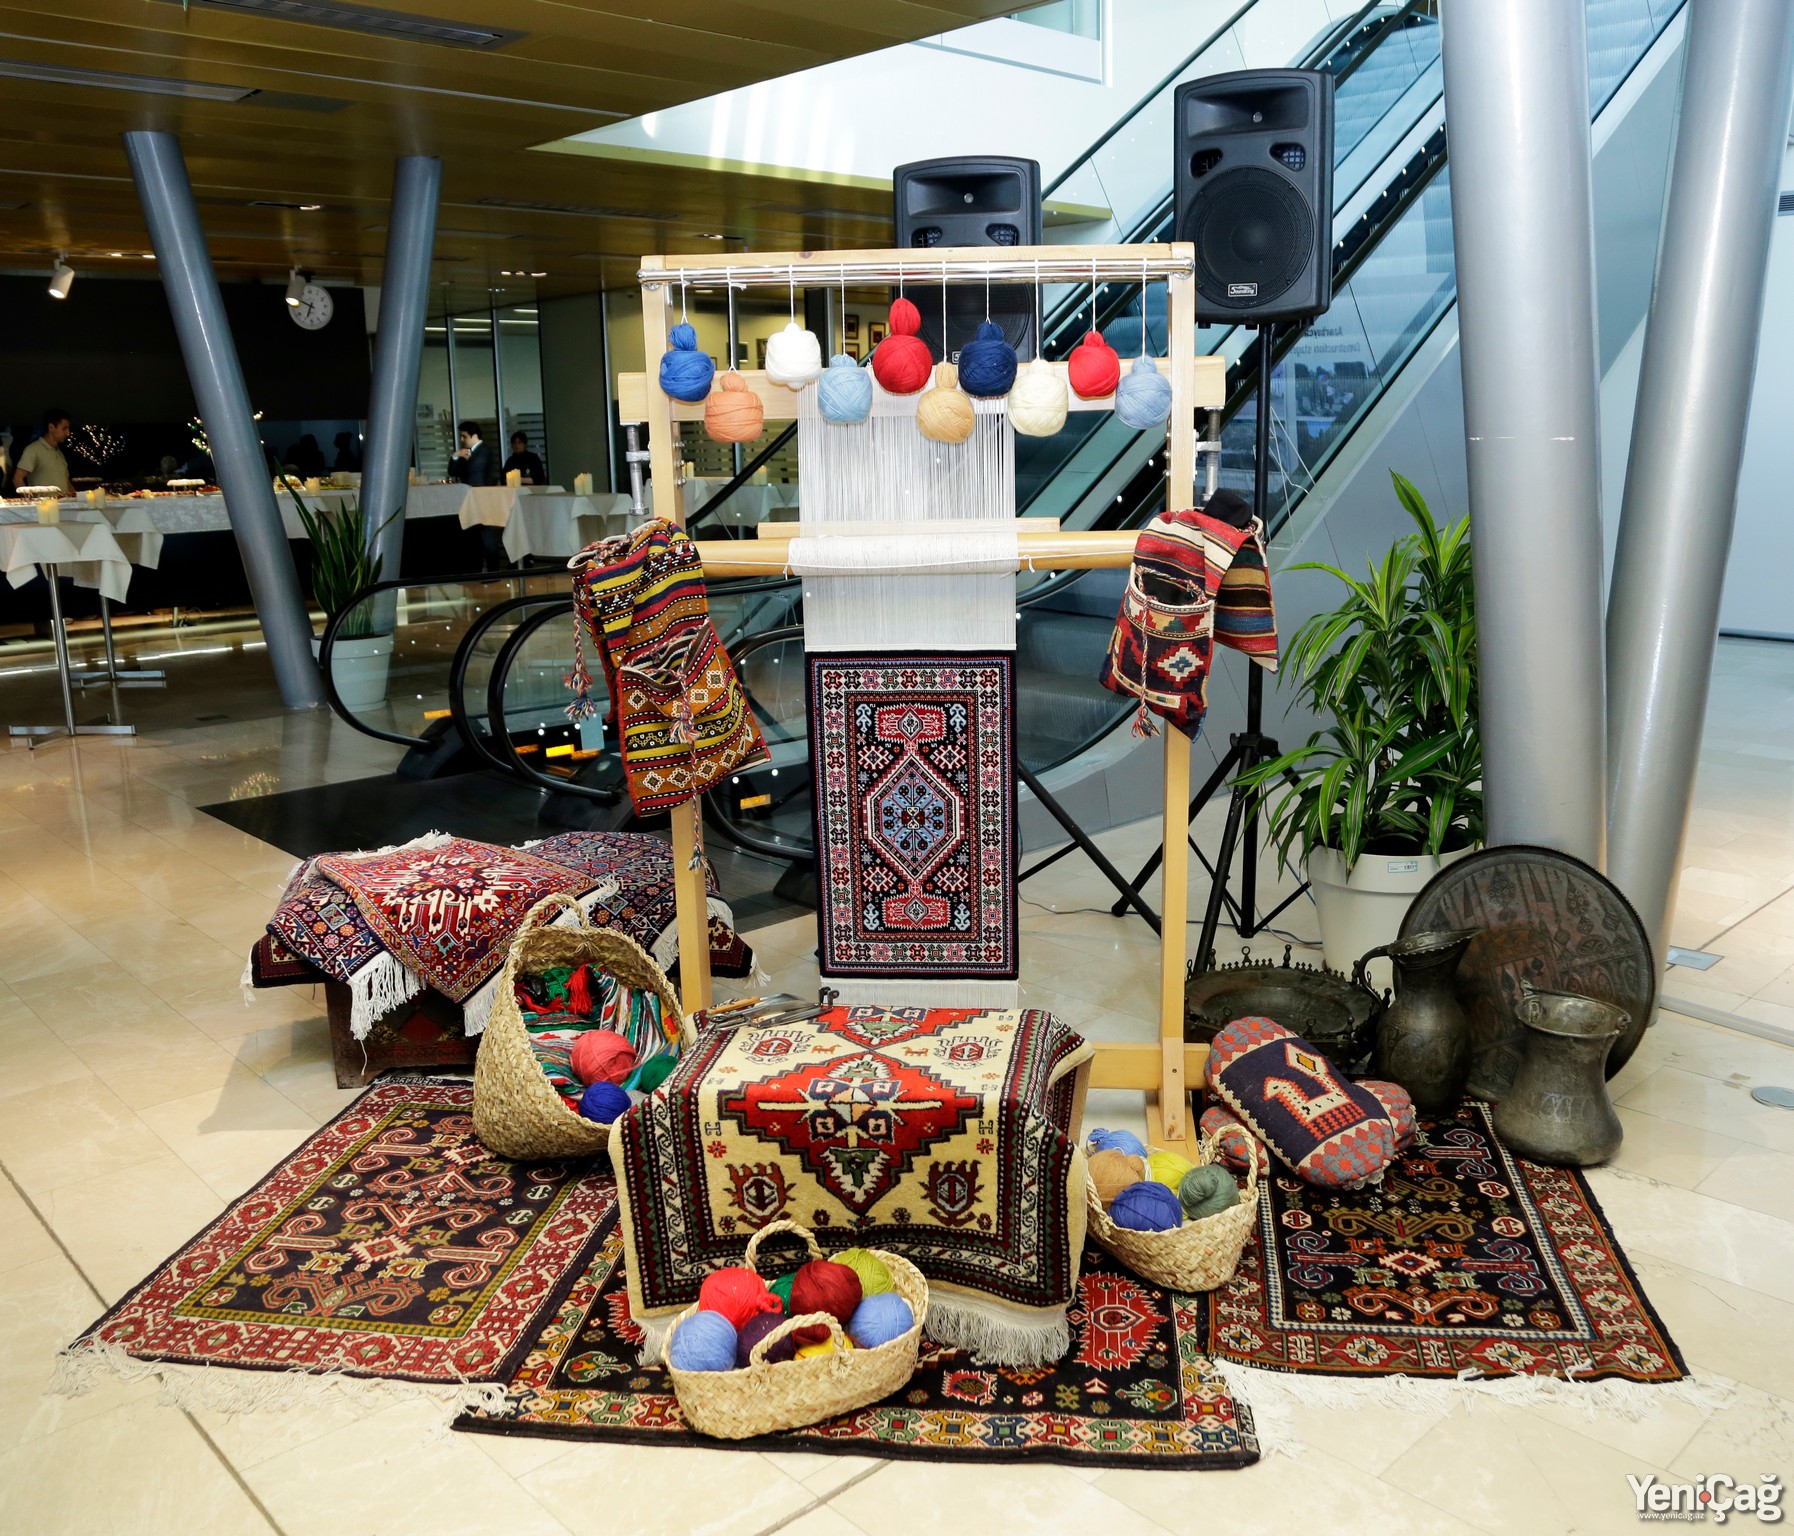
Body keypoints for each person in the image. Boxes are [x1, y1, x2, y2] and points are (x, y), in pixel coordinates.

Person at [11, 407, 72, 495]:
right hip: (44, 503)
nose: (68, 432)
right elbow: (17, 478)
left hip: (64, 502)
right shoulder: (33, 449)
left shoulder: (59, 453)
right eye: (64, 428)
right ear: (51, 427)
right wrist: (30, 501)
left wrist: (76, 498)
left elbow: (66, 482)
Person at [449, 421, 494, 486]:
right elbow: (452, 472)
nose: (461, 439)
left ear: (475, 436)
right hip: (467, 489)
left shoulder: (484, 450)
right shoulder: (466, 452)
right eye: (461, 436)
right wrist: (455, 456)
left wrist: (468, 460)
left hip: (479, 490)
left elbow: (472, 470)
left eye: (464, 437)